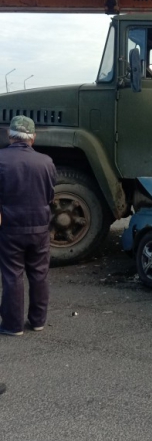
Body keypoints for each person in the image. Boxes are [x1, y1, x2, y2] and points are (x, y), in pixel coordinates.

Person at [0, 115, 56, 336]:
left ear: (9, 134)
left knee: (12, 274)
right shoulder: (46, 161)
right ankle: (37, 320)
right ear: (33, 137)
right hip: (40, 227)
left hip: (11, 227)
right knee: (39, 273)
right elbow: (50, 194)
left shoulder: (1, 159)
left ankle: (13, 326)